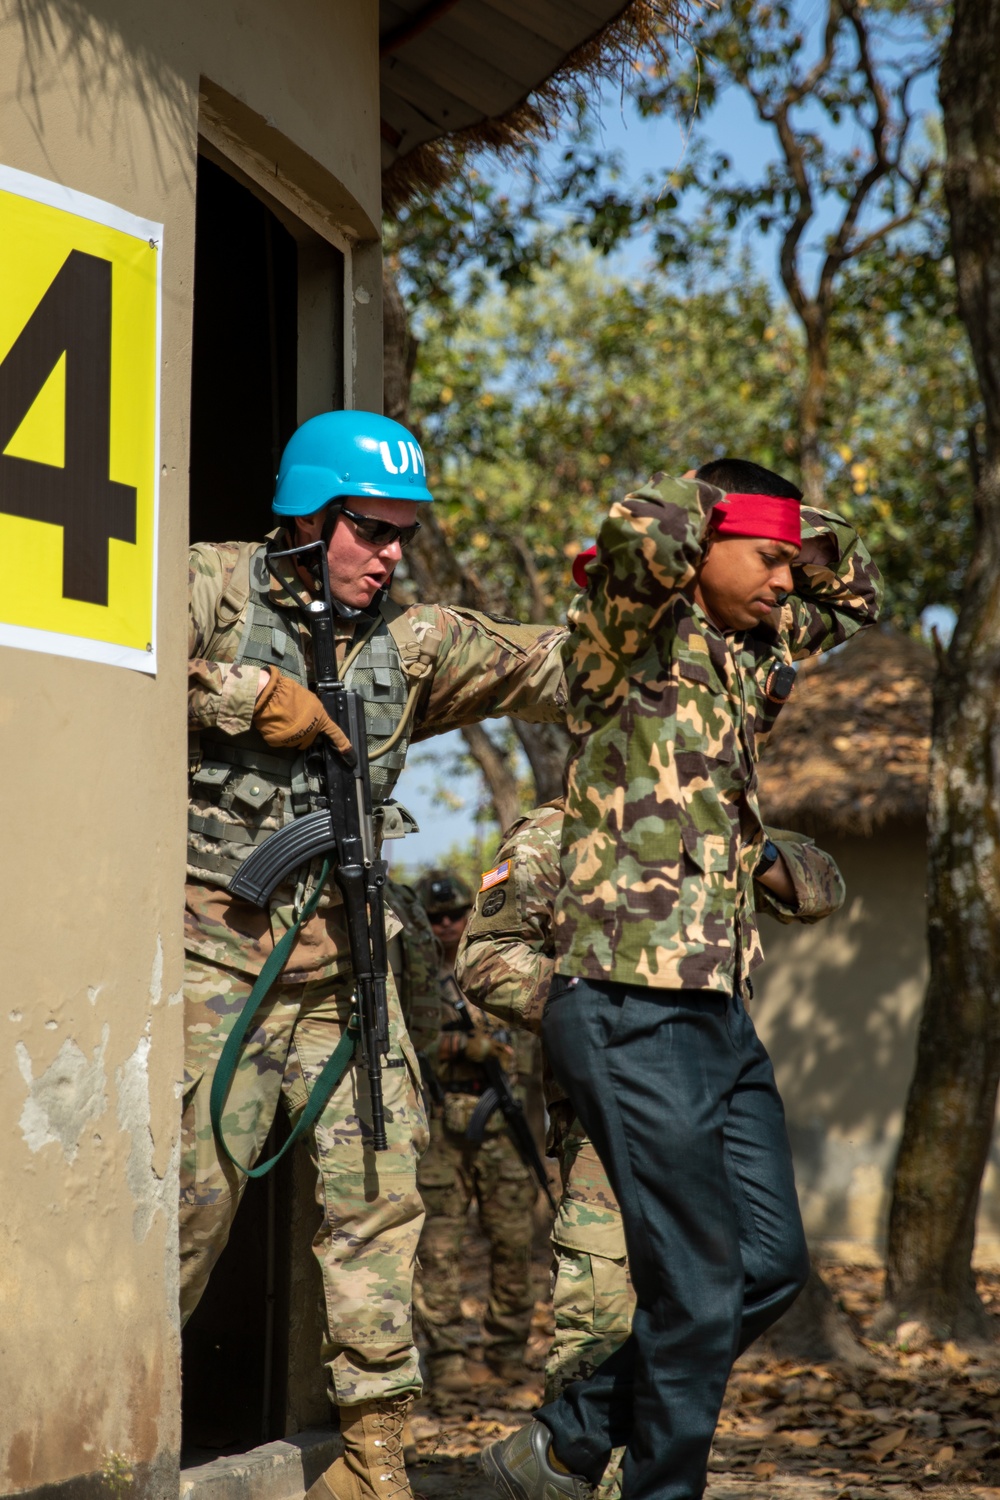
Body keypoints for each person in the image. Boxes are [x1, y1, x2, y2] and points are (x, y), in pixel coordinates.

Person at [183, 409, 566, 1500]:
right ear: (306, 520)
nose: (391, 553)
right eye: (370, 529)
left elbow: (556, 660)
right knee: (181, 1219)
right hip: (217, 974)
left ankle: (373, 1459)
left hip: (345, 981)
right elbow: (105, 657)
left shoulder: (411, 643)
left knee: (380, 1216)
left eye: (405, 532)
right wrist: (246, 697)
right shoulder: (209, 585)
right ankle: (112, 1446)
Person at [481, 458, 882, 1500]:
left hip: (714, 1009)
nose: (787, 582)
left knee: (768, 1265)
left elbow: (859, 589)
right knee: (697, 1288)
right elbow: (636, 536)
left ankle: (567, 1440)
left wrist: (780, 527)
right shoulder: (625, 639)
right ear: (702, 542)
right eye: (764, 557)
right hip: (624, 999)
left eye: (791, 561)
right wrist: (708, 505)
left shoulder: (751, 655)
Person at [457, 796, 847, 1500]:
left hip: (709, 1089)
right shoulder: (560, 828)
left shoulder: (721, 815)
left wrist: (747, 846)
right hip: (611, 1106)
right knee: (602, 1316)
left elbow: (820, 887)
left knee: (762, 1269)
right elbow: (486, 958)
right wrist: (607, 1008)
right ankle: (574, 1466)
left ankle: (565, 1442)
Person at [412, 870, 538, 1396]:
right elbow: (404, 1042)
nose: (446, 925)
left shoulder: (493, 970)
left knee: (512, 1241)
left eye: (456, 914)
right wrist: (462, 1049)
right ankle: (444, 1363)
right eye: (435, 917)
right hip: (440, 1123)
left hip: (500, 1123)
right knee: (438, 1248)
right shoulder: (410, 976)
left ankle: (507, 1352)